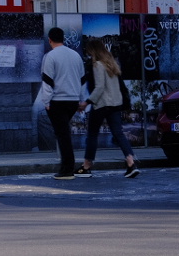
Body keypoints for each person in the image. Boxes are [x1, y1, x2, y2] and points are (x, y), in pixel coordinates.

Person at [80, 41, 138, 178]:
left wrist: (87, 102)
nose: (88, 55)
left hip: (102, 104)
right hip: (115, 104)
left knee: (92, 135)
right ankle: (131, 163)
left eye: (88, 52)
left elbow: (99, 87)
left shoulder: (97, 65)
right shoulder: (112, 64)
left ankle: (86, 166)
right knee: (119, 133)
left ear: (93, 51)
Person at [37, 28, 86, 180]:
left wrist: (46, 102)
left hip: (57, 101)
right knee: (64, 134)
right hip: (72, 100)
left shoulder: (50, 56)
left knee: (63, 135)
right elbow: (82, 79)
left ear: (50, 40)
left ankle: (67, 169)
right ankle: (66, 167)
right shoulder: (75, 55)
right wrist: (81, 99)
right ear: (63, 38)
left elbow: (47, 81)